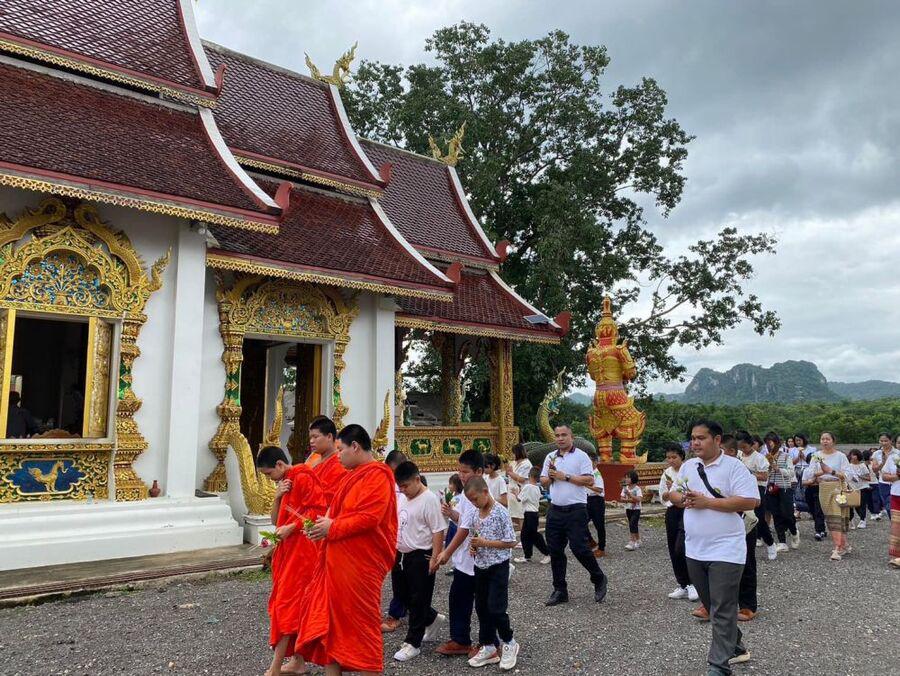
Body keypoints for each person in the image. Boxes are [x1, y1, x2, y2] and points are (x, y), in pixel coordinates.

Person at [296, 424, 398, 675]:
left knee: (362, 626)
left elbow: (370, 517)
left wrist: (332, 527)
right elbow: (335, 513)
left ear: (355, 446)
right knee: (331, 625)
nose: (337, 455)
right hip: (337, 562)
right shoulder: (350, 476)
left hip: (360, 566)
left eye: (341, 450)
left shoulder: (377, 475)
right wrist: (321, 527)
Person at [669, 420, 759, 675]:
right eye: (692, 438)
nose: (695, 443)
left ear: (717, 440)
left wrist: (707, 503)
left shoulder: (734, 467)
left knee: (722, 607)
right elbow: (673, 493)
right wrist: (682, 498)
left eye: (701, 438)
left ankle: (718, 666)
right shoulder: (689, 466)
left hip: (726, 549)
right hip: (695, 549)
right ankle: (736, 646)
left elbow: (751, 501)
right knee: (713, 605)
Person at [258, 445, 327, 676]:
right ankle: (298, 661)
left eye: (269, 474)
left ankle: (275, 667)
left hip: (303, 553)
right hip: (287, 551)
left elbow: (318, 511)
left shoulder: (304, 476)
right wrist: (277, 496)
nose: (270, 479)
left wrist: (293, 527)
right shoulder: (285, 482)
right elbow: (275, 521)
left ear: (280, 464)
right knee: (292, 606)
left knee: (287, 606)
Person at [540, 425, 608, 606]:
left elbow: (589, 480)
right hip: (555, 510)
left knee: (579, 548)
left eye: (564, 435)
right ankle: (560, 590)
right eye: (557, 435)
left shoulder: (581, 456)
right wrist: (551, 476)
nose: (560, 438)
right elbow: (543, 480)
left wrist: (566, 476)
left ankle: (598, 577)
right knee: (555, 550)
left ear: (572, 437)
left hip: (576, 509)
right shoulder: (550, 457)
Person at [390, 461, 447, 663]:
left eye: (406, 486)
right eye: (400, 487)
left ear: (417, 479)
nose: (403, 491)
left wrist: (435, 557)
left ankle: (413, 643)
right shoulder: (404, 497)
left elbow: (438, 529)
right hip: (401, 553)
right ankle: (432, 618)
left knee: (418, 598)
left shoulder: (429, 499)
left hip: (421, 554)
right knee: (402, 595)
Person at [431, 449, 484, 658]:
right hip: (465, 559)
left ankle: (491, 643)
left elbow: (465, 529)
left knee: (484, 604)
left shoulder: (478, 495)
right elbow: (462, 520)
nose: (461, 475)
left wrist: (446, 552)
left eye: (465, 471)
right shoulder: (464, 495)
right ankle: (461, 639)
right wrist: (451, 513)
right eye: (459, 471)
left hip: (479, 558)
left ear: (478, 472)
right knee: (458, 598)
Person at [463, 476, 520, 671]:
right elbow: (474, 535)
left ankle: (509, 641)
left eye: (475, 499)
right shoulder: (475, 513)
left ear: (485, 492)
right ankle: (488, 646)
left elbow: (511, 541)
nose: (474, 503)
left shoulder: (500, 512)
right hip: (480, 566)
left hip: (498, 566)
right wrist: (474, 547)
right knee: (481, 607)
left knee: (496, 608)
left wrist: (485, 543)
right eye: (471, 500)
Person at [659, 442, 696, 602]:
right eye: (668, 458)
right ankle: (682, 583)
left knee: (682, 547)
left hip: (687, 510)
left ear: (682, 456)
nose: (671, 460)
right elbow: (663, 496)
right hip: (672, 510)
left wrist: (679, 491)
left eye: (674, 457)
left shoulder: (689, 470)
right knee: (673, 547)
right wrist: (670, 491)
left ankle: (693, 583)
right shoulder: (667, 473)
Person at [735, 430, 777, 561]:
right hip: (740, 488)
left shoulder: (759, 458)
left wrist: (748, 472)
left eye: (744, 447)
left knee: (758, 518)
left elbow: (764, 476)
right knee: (741, 517)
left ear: (751, 444)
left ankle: (770, 543)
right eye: (740, 447)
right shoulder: (738, 455)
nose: (742, 450)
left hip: (757, 488)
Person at [811, 431, 852, 561]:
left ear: (833, 441)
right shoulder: (816, 455)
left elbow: (848, 474)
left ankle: (837, 547)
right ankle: (844, 544)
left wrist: (831, 471)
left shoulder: (840, 456)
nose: (825, 441)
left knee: (837, 516)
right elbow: (810, 472)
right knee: (830, 516)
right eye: (822, 439)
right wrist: (820, 473)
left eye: (827, 439)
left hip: (838, 487)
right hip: (823, 488)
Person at [381, 449, 410, 634]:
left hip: (410, 538)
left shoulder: (412, 486)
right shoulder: (386, 484)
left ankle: (399, 613)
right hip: (394, 537)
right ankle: (398, 611)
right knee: (399, 576)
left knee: (407, 580)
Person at [763, 433, 798, 552]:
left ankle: (794, 532)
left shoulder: (786, 456)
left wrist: (778, 468)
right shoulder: (766, 457)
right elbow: (765, 474)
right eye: (767, 442)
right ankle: (782, 542)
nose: (769, 445)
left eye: (771, 442)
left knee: (787, 513)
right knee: (776, 514)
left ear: (777, 443)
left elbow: (791, 473)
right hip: (771, 488)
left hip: (784, 487)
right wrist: (768, 468)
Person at [307, 416, 347, 506]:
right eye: (310, 438)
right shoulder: (314, 460)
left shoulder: (339, 463)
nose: (311, 441)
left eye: (315, 437)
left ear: (329, 436)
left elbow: (330, 499)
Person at [513, 466, 550, 564]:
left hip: (529, 514)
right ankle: (527, 556)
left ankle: (547, 553)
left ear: (529, 476)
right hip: (534, 514)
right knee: (525, 534)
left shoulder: (527, 487)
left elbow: (519, 499)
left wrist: (516, 493)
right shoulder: (538, 488)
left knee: (533, 535)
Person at [879, 451, 900, 568]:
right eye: (899, 442)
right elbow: (884, 476)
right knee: (896, 527)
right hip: (896, 495)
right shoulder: (893, 458)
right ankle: (896, 556)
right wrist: (897, 476)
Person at [870, 433, 895, 521]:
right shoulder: (876, 454)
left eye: (886, 441)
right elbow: (874, 470)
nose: (883, 443)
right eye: (881, 441)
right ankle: (894, 522)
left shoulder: (897, 452)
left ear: (891, 441)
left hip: (896, 482)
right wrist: (883, 462)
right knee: (888, 505)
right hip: (883, 483)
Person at [586, 453, 607, 557]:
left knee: (599, 525)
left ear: (595, 462)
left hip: (597, 500)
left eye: (589, 461)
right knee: (581, 522)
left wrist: (586, 485)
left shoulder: (596, 474)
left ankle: (601, 548)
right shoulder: (587, 473)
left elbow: (599, 489)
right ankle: (591, 541)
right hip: (587, 499)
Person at [847, 449, 871, 529]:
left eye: (854, 455)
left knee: (862, 504)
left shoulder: (862, 465)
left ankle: (862, 520)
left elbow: (869, 478)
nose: (852, 456)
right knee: (853, 505)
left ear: (858, 456)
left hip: (862, 487)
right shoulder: (848, 466)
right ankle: (852, 520)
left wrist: (860, 476)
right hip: (852, 487)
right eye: (851, 455)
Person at [620, 471, 643, 550]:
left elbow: (639, 499)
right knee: (633, 524)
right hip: (628, 509)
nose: (626, 479)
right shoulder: (625, 488)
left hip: (636, 509)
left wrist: (629, 495)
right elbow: (621, 498)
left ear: (633, 478)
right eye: (626, 477)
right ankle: (638, 540)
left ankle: (632, 542)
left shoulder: (637, 489)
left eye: (628, 477)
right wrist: (630, 500)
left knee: (632, 523)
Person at [444, 473, 464, 548]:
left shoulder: (457, 498)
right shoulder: (454, 497)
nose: (449, 486)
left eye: (451, 484)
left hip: (454, 525)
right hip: (452, 524)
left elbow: (454, 510)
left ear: (457, 485)